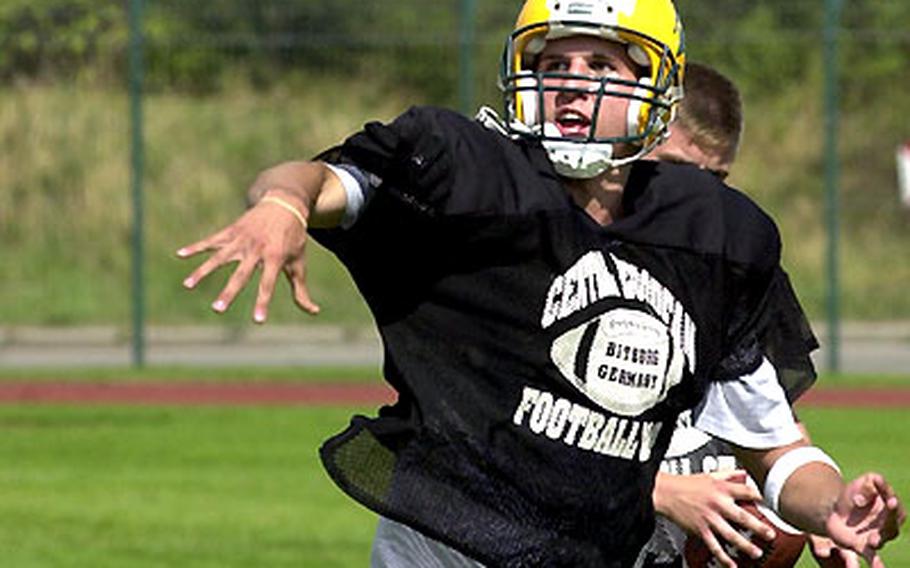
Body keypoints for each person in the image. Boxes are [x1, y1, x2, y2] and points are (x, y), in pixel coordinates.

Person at [178, 1, 905, 566]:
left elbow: (774, 450)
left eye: (600, 65)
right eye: (555, 62)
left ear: (656, 85)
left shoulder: (713, 234)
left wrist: (832, 505)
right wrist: (281, 206)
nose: (571, 84)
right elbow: (323, 178)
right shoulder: (469, 174)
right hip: (447, 548)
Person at [643, 62, 860, 567]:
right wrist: (665, 491)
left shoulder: (731, 258)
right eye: (675, 169)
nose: (697, 197)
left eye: (716, 179)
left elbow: (770, 425)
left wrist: (826, 513)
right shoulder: (562, 245)